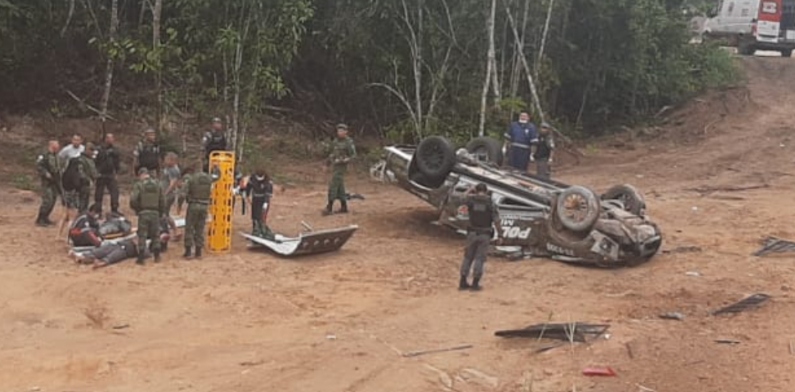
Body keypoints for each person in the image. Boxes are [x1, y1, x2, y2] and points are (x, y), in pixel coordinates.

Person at [459, 183, 502, 291]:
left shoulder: (471, 200)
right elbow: (497, 220)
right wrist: (500, 234)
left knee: (468, 257)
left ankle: (463, 281)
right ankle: (475, 284)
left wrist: (469, 190)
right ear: (486, 191)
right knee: (479, 258)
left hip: (471, 233)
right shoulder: (490, 203)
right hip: (484, 234)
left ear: (476, 190)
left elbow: (461, 198)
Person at [182, 164, 219, 259]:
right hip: (204, 205)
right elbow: (218, 176)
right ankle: (198, 252)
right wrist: (216, 168)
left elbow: (183, 192)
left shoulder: (191, 178)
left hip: (193, 204)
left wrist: (181, 203)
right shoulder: (209, 178)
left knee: (189, 227)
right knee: (200, 228)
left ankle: (188, 251)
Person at [129, 168, 165, 265]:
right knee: (156, 234)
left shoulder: (139, 185)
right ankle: (157, 256)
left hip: (143, 212)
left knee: (142, 234)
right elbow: (162, 200)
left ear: (140, 175)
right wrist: (161, 212)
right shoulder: (158, 184)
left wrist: (137, 209)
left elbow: (133, 200)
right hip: (155, 212)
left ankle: (141, 258)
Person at [323, 123, 356, 215]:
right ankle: (344, 206)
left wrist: (345, 160)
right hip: (335, 165)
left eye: (342, 131)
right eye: (338, 131)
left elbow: (353, 156)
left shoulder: (348, 142)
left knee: (333, 185)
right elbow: (332, 154)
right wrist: (327, 164)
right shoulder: (335, 141)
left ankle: (329, 207)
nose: (340, 132)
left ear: (346, 132)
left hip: (342, 167)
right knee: (340, 187)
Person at [36, 140, 64, 227]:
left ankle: (46, 218)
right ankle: (40, 219)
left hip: (55, 180)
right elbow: (39, 166)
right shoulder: (44, 155)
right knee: (48, 200)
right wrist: (46, 173)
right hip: (47, 182)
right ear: (51, 146)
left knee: (53, 200)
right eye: (56, 146)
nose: (58, 148)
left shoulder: (56, 156)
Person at [69, 238, 148, 269]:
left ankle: (100, 263)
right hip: (117, 244)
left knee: (112, 257)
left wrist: (137, 245)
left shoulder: (150, 247)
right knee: (101, 251)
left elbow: (142, 253)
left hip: (125, 250)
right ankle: (83, 258)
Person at [94, 133, 122, 215]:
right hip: (101, 174)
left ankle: (114, 209)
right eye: (108, 138)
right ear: (105, 139)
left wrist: (117, 172)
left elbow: (117, 162)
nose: (110, 140)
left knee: (115, 192)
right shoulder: (99, 149)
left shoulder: (115, 150)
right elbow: (94, 161)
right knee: (99, 193)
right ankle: (98, 210)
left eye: (111, 138)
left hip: (111, 174)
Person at [244, 169, 275, 238]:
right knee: (255, 215)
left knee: (262, 216)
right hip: (255, 199)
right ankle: (255, 230)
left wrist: (266, 203)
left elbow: (268, 192)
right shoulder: (253, 178)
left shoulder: (268, 181)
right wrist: (247, 195)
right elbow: (249, 186)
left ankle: (262, 230)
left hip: (263, 199)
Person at [77, 143, 98, 213]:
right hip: (83, 183)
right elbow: (80, 172)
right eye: (91, 150)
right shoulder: (81, 159)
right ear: (86, 150)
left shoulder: (90, 159)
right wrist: (87, 179)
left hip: (89, 183)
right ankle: (81, 213)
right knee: (83, 199)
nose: (92, 152)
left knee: (87, 199)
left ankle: (85, 212)